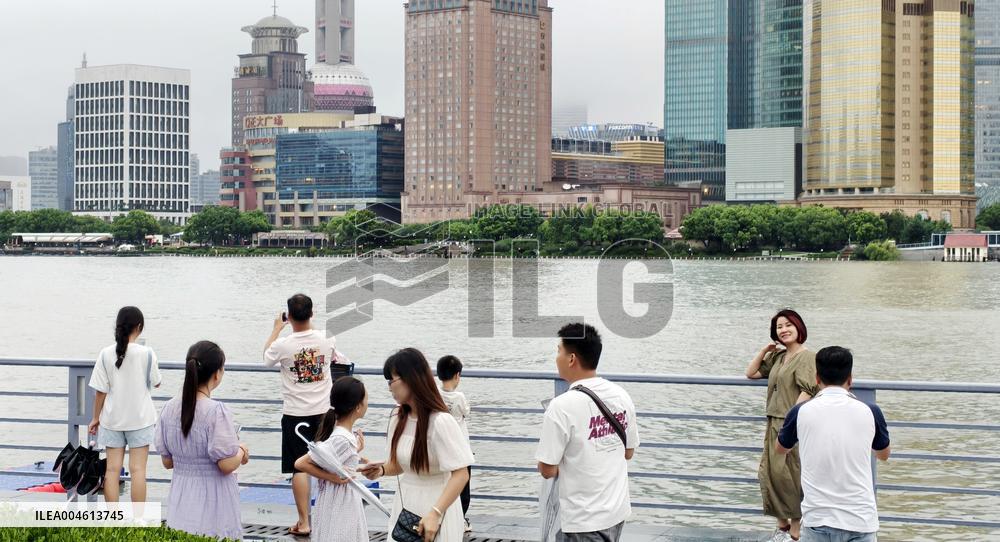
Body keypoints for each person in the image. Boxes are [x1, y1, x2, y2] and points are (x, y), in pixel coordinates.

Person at [536, 323, 639, 542]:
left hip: (582, 519)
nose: (556, 357)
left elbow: (546, 469)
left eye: (558, 351)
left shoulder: (561, 406)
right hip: (616, 509)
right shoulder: (621, 395)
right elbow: (628, 452)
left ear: (571, 359)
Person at [776, 347, 891, 542]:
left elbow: (781, 448)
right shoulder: (871, 411)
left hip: (818, 520)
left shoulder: (800, 411)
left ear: (817, 378)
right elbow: (883, 454)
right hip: (860, 520)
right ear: (850, 379)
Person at [359, 348, 474, 542]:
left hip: (438, 505)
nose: (389, 388)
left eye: (391, 381)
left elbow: (461, 473)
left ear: (411, 379)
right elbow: (398, 466)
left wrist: (436, 513)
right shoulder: (397, 417)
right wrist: (380, 470)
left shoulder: (441, 421)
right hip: (405, 503)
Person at [155, 341, 247, 540]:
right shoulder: (215, 411)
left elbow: (167, 462)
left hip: (181, 502)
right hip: (214, 504)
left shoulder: (169, 408)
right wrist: (241, 450)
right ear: (217, 374)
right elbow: (225, 465)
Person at [264, 293, 339, 537]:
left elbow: (266, 359)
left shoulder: (283, 344)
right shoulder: (327, 337)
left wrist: (277, 329)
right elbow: (333, 357)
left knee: (300, 469)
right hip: (325, 412)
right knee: (329, 465)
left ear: (289, 316)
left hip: (296, 414)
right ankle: (330, 519)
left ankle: (304, 522)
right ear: (312, 314)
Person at [745, 309, 818, 542]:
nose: (783, 330)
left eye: (788, 325)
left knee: (791, 474)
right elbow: (752, 373)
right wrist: (765, 351)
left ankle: (796, 531)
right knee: (770, 473)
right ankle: (783, 526)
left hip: (791, 424)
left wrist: (792, 418)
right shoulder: (778, 356)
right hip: (772, 420)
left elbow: (810, 388)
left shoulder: (807, 357)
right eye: (779, 327)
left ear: (799, 327)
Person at [87, 306, 162, 504]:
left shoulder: (105, 354)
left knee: (112, 471)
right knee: (138, 471)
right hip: (140, 419)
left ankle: (114, 522)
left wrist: (95, 418)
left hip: (112, 420)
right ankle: (137, 522)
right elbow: (157, 381)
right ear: (139, 327)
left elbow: (100, 391)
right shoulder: (147, 353)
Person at [294, 376, 369, 542]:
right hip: (340, 502)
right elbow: (301, 463)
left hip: (338, 499)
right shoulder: (342, 438)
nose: (367, 404)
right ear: (357, 407)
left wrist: (355, 451)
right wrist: (332, 478)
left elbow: (333, 460)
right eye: (366, 400)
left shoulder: (343, 436)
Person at [437, 355, 472, 531]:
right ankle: (461, 520)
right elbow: (467, 412)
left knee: (446, 483)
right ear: (457, 375)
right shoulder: (460, 397)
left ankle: (445, 516)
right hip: (461, 446)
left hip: (443, 446)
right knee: (463, 487)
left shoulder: (435, 394)